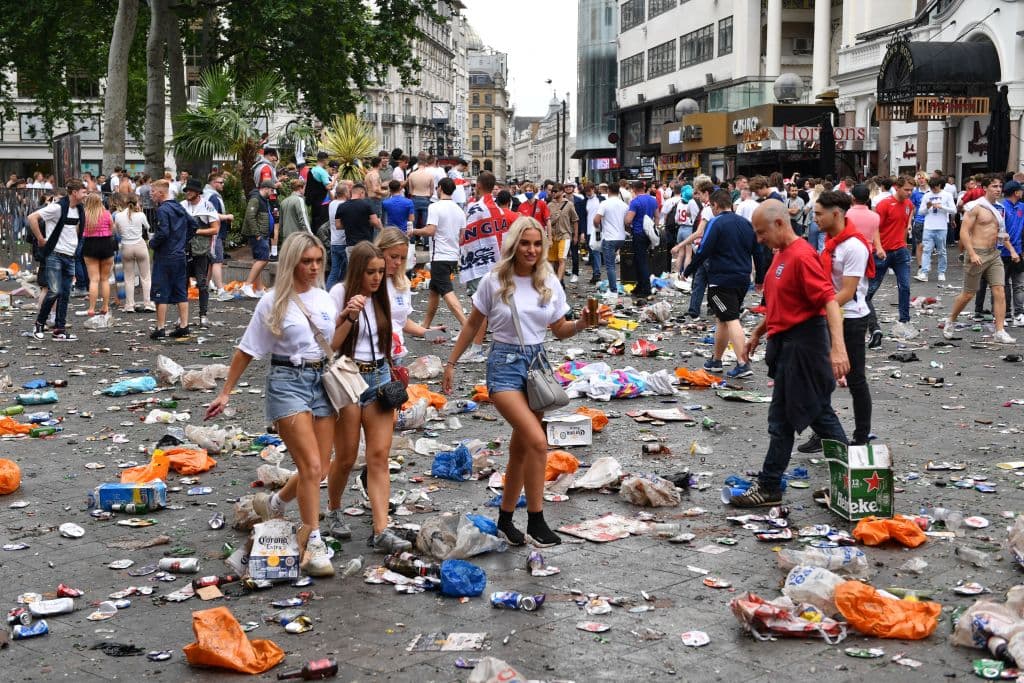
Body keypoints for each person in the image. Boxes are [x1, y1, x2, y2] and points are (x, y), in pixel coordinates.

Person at [441, 217, 600, 545]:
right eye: (525, 243)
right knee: (538, 442)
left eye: (537, 244)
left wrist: (582, 324)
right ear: (514, 245)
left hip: (536, 366)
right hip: (503, 367)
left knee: (521, 449)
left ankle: (505, 519)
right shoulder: (495, 280)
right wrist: (451, 363)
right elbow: (472, 325)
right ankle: (537, 521)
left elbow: (559, 329)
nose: (531, 249)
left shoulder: (548, 280)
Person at [206, 232, 336, 576]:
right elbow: (247, 349)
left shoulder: (325, 298)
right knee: (310, 465)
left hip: (323, 382)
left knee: (320, 469)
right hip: (287, 382)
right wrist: (226, 392)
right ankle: (313, 543)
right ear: (292, 262)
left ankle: (275, 503)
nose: (313, 267)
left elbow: (334, 342)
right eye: (306, 261)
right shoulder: (273, 301)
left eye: (318, 261)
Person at [730, 200, 849, 507]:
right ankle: (848, 482)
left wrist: (838, 348)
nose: (759, 239)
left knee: (797, 416)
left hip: (805, 347)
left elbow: (829, 302)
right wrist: (758, 332)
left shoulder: (802, 256)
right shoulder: (781, 254)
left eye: (762, 232)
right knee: (813, 414)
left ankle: (772, 485)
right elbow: (780, 303)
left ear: (780, 224)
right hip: (787, 345)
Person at [327, 241, 412, 553]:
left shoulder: (382, 295)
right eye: (370, 272)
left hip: (379, 378)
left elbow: (391, 335)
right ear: (357, 272)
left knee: (378, 456)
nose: (377, 278)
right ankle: (334, 509)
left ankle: (381, 529)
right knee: (347, 456)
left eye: (380, 271)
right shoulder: (339, 293)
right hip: (348, 376)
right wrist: (349, 316)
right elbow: (329, 343)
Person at [798, 191, 874, 454]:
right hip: (829, 314)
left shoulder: (853, 246)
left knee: (855, 379)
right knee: (821, 378)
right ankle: (824, 433)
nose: (815, 219)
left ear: (836, 214)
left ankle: (861, 438)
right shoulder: (831, 242)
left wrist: (817, 309)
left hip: (851, 318)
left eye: (819, 214)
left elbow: (848, 292)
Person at [683, 189, 757, 379]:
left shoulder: (716, 222)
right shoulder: (745, 223)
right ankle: (716, 360)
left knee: (730, 317)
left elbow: (703, 250)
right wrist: (760, 278)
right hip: (742, 278)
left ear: (715, 205)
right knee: (722, 318)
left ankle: (743, 363)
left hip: (721, 280)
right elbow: (757, 249)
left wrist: (688, 270)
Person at [942, 175, 1018, 344]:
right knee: (968, 294)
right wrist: (972, 253)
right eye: (994, 186)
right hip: (977, 252)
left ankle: (1000, 331)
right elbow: (963, 232)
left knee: (999, 290)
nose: (998, 189)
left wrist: (1012, 250)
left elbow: (1001, 233)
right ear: (985, 188)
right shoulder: (975, 207)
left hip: (994, 253)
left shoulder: (1000, 208)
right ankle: (951, 319)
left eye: (1000, 186)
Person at [30, 178, 87, 341]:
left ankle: (59, 329)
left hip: (70, 256)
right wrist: (41, 239)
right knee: (54, 291)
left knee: (65, 294)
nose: (86, 195)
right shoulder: (57, 207)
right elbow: (32, 218)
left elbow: (75, 229)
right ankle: (39, 324)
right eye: (83, 192)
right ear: (74, 192)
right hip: (55, 255)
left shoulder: (79, 210)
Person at [410, 177, 468, 329]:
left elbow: (430, 230)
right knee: (434, 291)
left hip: (440, 255)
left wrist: (414, 231)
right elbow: (462, 236)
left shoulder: (435, 207)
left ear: (440, 188)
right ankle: (426, 324)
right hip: (453, 255)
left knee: (447, 291)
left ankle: (466, 326)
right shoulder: (459, 210)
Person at [866, 176, 916, 341]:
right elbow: (875, 228)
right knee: (869, 291)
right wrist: (879, 247)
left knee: (905, 286)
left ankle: (904, 321)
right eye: (906, 189)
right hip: (883, 252)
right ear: (897, 187)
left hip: (900, 251)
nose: (909, 193)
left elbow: (905, 223)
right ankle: (869, 323)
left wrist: (904, 242)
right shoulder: (884, 204)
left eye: (911, 190)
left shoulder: (908, 205)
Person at [149, 180, 193, 339]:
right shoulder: (179, 207)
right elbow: (193, 224)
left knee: (160, 290)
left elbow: (163, 232)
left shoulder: (162, 210)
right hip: (179, 255)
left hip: (165, 255)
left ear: (161, 193)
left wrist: (152, 243)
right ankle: (184, 325)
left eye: (153, 191)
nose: (151, 194)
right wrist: (183, 241)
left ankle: (160, 327)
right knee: (181, 290)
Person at [181, 179, 220, 328]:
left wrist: (197, 231)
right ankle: (182, 318)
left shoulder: (207, 206)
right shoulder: (182, 205)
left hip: (201, 251)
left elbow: (215, 229)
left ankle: (203, 316)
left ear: (197, 193)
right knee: (182, 284)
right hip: (184, 249)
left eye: (190, 190)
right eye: (186, 190)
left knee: (202, 283)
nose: (187, 193)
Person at [112, 192, 154, 313]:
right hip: (139, 245)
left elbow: (117, 232)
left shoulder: (118, 216)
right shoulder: (140, 215)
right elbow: (148, 227)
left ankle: (130, 305)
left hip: (126, 246)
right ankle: (147, 303)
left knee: (128, 277)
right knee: (145, 276)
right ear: (137, 203)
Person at [79, 193, 116, 317]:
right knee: (105, 279)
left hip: (90, 245)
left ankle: (91, 308)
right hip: (106, 244)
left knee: (94, 279)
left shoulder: (84, 215)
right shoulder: (106, 214)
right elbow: (112, 228)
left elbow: (78, 230)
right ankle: (105, 306)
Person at [915, 176, 955, 283]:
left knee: (942, 251)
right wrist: (927, 207)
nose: (933, 189)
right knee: (926, 250)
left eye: (935, 187)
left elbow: (954, 210)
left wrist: (942, 207)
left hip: (941, 227)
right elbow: (920, 212)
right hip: (928, 227)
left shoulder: (947, 195)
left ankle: (941, 272)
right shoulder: (927, 195)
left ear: (940, 185)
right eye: (931, 187)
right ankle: (924, 272)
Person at [240, 180, 276, 299]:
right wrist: (257, 234)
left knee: (259, 260)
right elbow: (250, 216)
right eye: (271, 190)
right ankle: (247, 285)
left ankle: (259, 289)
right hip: (258, 234)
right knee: (263, 259)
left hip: (262, 234)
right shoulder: (256, 199)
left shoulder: (264, 199)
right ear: (265, 188)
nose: (272, 192)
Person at [624, 180, 658, 301]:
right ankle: (640, 286)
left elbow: (628, 220)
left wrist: (627, 225)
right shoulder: (653, 200)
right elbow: (657, 216)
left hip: (638, 233)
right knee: (641, 260)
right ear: (644, 188)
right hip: (648, 234)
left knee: (641, 261)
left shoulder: (635, 202)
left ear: (634, 189)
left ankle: (645, 288)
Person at [594, 182, 628, 293]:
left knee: (610, 266)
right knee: (613, 263)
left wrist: (598, 228)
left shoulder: (604, 204)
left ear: (608, 191)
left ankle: (613, 289)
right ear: (618, 191)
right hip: (621, 238)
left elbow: (596, 220)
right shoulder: (624, 205)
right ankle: (615, 284)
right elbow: (627, 222)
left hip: (609, 237)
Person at [1001, 180, 1024, 327]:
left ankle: (1019, 314)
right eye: (1021, 190)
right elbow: (1000, 232)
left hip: (1019, 251)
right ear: (1016, 192)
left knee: (1019, 284)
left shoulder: (1022, 207)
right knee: (1002, 285)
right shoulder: (1001, 208)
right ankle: (1004, 314)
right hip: (1002, 252)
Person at [546, 184, 578, 285]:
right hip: (553, 236)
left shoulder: (569, 204)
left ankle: (558, 283)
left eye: (555, 191)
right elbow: (547, 221)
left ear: (561, 192)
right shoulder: (549, 205)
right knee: (552, 261)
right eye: (552, 191)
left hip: (565, 235)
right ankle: (556, 280)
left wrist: (576, 235)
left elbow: (575, 220)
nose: (553, 193)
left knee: (561, 259)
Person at [326, 184, 349, 290]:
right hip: (343, 242)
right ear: (345, 193)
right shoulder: (345, 205)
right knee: (346, 271)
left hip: (334, 242)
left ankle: (328, 292)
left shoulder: (331, 204)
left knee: (334, 271)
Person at [306, 151, 334, 232]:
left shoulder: (311, 170)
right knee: (322, 225)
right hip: (323, 202)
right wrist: (335, 178)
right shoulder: (322, 172)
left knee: (314, 222)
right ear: (325, 160)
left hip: (313, 201)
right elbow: (329, 187)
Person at [279, 178, 311, 244]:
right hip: (297, 238)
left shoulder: (283, 202)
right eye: (305, 188)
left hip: (286, 238)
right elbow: (304, 220)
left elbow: (281, 223)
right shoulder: (299, 200)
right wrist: (311, 236)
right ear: (300, 188)